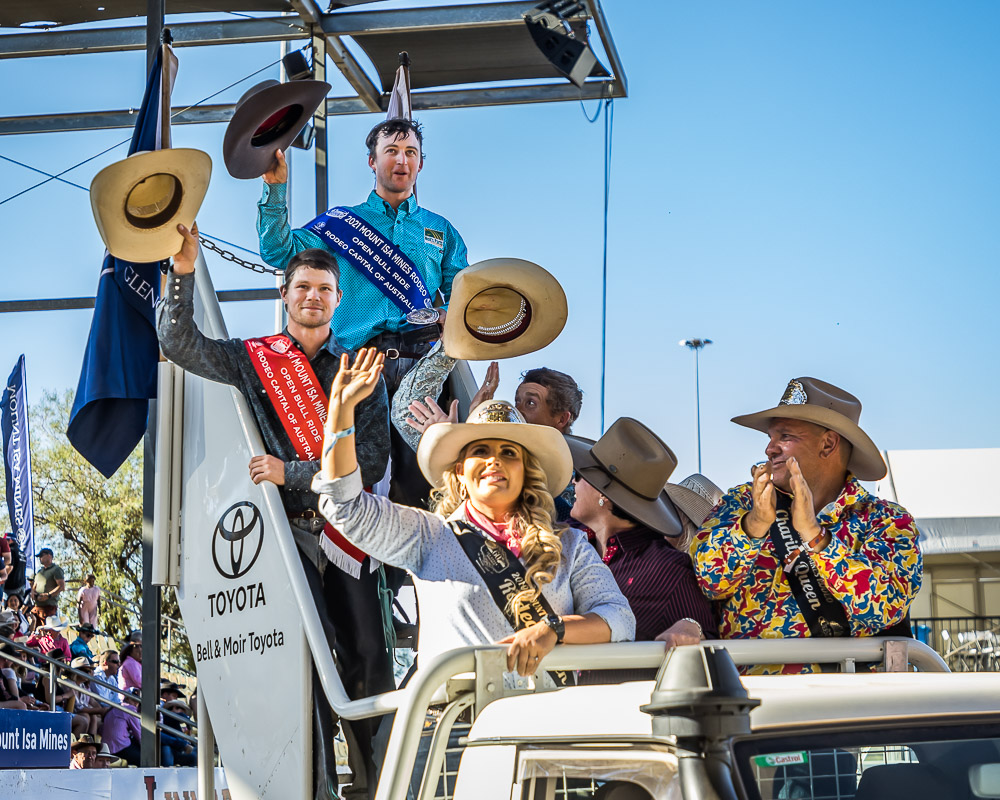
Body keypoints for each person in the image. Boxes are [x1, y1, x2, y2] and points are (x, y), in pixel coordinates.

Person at [314, 351, 633, 798]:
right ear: (459, 473)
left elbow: (618, 618)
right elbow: (344, 506)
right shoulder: (427, 535)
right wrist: (341, 415)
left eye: (509, 453)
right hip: (451, 739)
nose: (494, 461)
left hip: (546, 730)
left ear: (527, 472)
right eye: (479, 451)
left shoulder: (570, 545)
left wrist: (552, 631)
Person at [159, 227, 393, 800]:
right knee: (301, 668)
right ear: (284, 296)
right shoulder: (252, 360)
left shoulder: (360, 373)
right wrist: (183, 274)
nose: (313, 296)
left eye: (325, 289)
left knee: (368, 659)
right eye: (303, 286)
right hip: (284, 537)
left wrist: (289, 470)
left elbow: (371, 457)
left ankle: (378, 791)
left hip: (350, 534)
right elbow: (178, 343)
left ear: (338, 300)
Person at [693, 377, 923, 674]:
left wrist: (816, 537)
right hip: (749, 704)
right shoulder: (742, 502)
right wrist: (753, 526)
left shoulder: (886, 520)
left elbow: (882, 608)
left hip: (850, 707)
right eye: (770, 437)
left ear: (828, 444)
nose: (769, 449)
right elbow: (707, 582)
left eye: (785, 437)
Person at [567, 420, 718, 683]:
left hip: (619, 716)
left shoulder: (668, 569)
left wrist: (691, 627)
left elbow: (707, 640)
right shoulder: (560, 539)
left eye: (581, 476)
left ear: (605, 494)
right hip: (550, 706)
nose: (573, 480)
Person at [393, 348, 584, 519]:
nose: (517, 409)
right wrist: (449, 441)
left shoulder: (579, 483)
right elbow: (404, 412)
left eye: (531, 403)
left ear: (561, 419)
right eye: (517, 401)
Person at [30, 547, 65, 626]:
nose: (40, 558)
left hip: (49, 607)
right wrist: (33, 592)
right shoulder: (40, 572)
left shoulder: (56, 569)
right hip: (37, 607)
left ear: (49, 555)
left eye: (42, 555)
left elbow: (61, 586)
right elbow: (34, 586)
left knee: (50, 631)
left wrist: (48, 595)